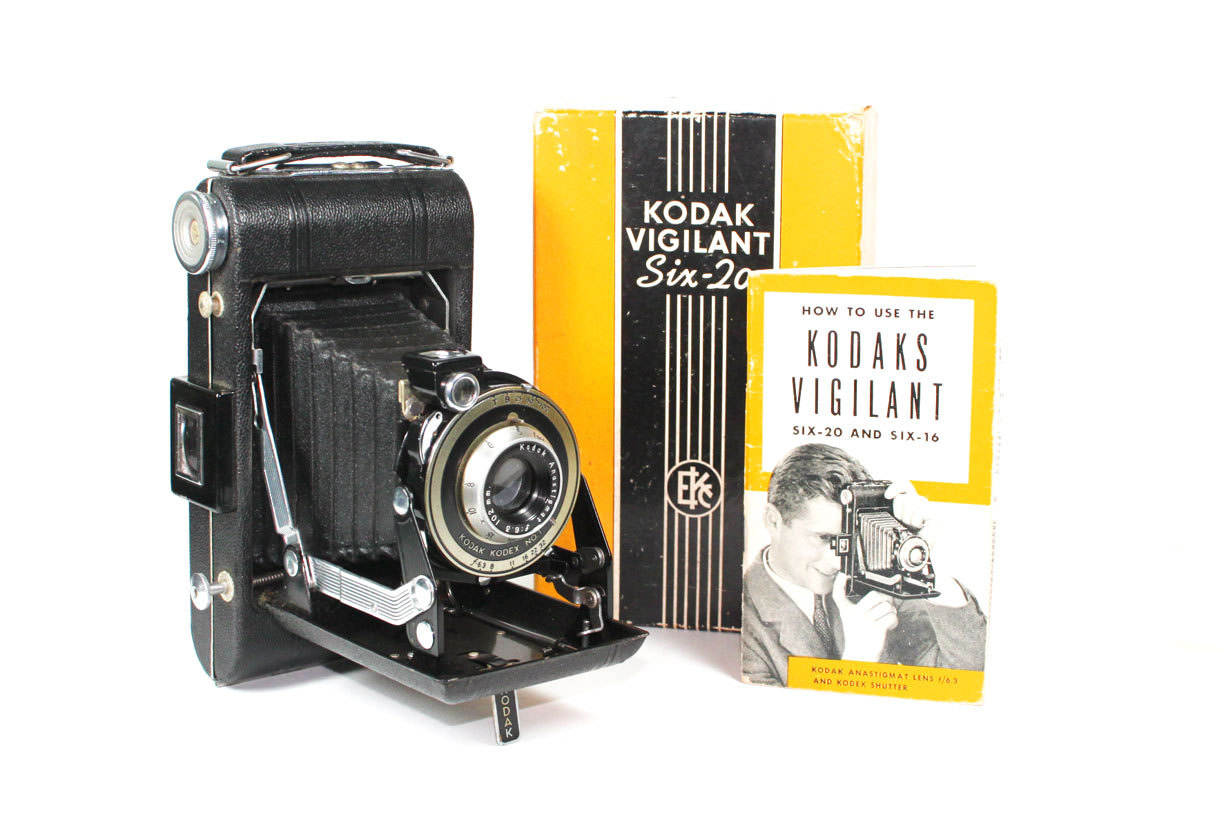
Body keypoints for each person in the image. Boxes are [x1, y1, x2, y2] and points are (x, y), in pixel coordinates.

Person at [742, 443, 987, 686]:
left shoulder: (879, 581)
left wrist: (920, 559)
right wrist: (858, 660)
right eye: (824, 538)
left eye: (851, 539)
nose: (838, 561)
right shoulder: (743, 619)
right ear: (773, 521)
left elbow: (965, 680)